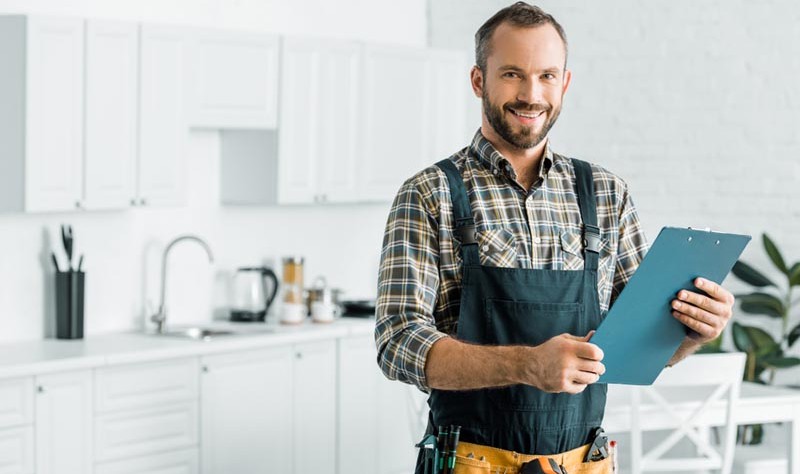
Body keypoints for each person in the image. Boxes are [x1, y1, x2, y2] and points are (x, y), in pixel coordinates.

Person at [374, 2, 735, 473]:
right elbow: (396, 343)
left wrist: (692, 332)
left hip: (585, 463)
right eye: (511, 74)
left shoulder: (606, 193)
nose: (531, 94)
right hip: (470, 463)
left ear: (564, 83)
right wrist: (526, 365)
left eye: (546, 75)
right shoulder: (430, 193)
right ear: (478, 80)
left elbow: (638, 344)